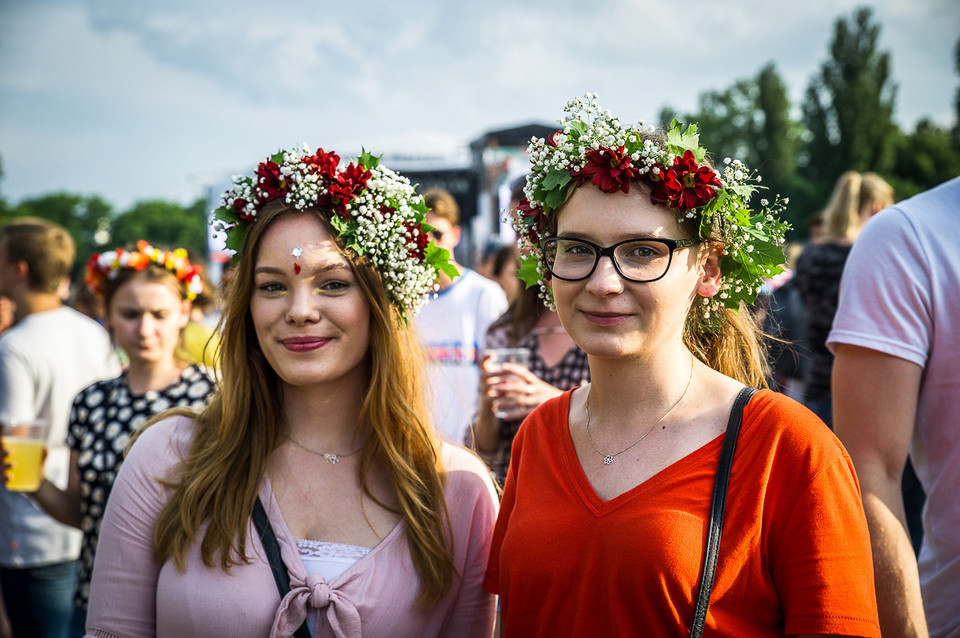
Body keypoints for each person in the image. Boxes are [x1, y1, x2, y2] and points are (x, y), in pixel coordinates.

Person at [483, 95, 880, 637]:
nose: (603, 283)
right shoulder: (538, 435)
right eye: (576, 248)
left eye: (643, 251)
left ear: (707, 269)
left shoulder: (788, 449)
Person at [84, 146, 498, 637]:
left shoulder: (456, 486)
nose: (300, 310)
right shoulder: (167, 457)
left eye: (334, 284)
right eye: (273, 286)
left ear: (381, 303)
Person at [3, 241, 216, 637]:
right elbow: (82, 511)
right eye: (130, 314)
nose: (145, 329)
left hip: (195, 599)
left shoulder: (214, 398)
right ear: (108, 315)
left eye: (159, 314)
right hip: (101, 599)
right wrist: (32, 483)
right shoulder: (91, 402)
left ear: (184, 312)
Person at [829, 176, 960, 638]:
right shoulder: (909, 236)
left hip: (836, 382)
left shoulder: (835, 251)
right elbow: (868, 469)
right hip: (874, 380)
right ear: (874, 205)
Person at [0, 218, 120, 638]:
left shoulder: (15, 345)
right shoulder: (92, 332)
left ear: (18, 269)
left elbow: (15, 442)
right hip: (89, 520)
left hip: (33, 528)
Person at [792, 171, 893, 425]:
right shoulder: (876, 258)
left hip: (818, 380)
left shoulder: (809, 257)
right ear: (877, 209)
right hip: (868, 389)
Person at [471, 281, 590, 486]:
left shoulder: (601, 326)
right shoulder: (507, 330)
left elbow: (621, 418)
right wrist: (487, 404)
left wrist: (552, 401)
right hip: (516, 482)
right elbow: (485, 446)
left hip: (579, 480)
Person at [415, 189, 508, 444]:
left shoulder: (484, 295)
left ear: (456, 235)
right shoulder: (403, 300)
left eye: (437, 234)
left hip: (474, 451)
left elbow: (500, 381)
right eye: (421, 236)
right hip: (415, 455)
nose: (429, 244)